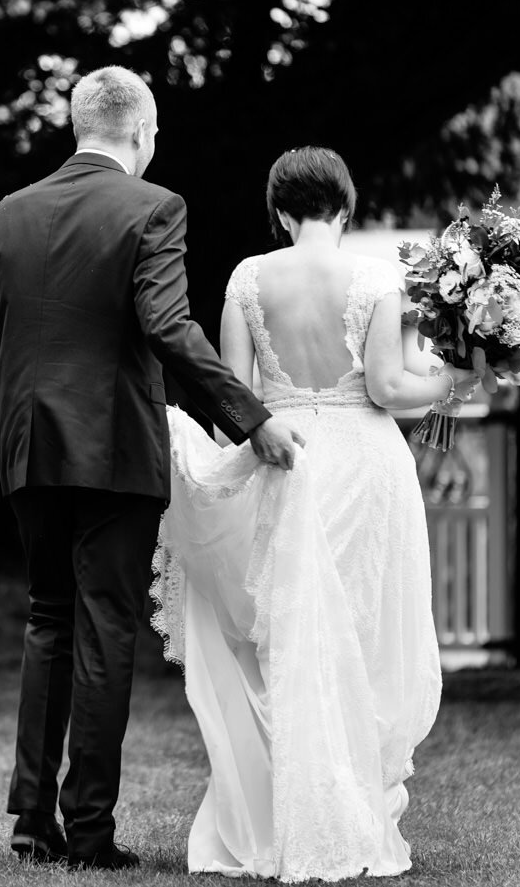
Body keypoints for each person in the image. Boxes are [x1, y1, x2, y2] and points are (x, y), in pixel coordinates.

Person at [0, 66, 305, 870]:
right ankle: (88, 828)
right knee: (104, 626)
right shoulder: (153, 208)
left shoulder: (4, 216)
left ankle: (31, 824)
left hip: (28, 443)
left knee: (47, 617)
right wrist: (250, 416)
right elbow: (168, 325)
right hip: (115, 447)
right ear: (142, 130)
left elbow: (3, 336)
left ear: (80, 124)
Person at [150, 146, 481, 881]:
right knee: (358, 638)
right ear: (347, 206)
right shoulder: (374, 277)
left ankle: (280, 819)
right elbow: (391, 387)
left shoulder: (246, 277)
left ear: (279, 212)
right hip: (363, 466)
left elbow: (235, 394)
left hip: (283, 461)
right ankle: (347, 811)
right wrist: (456, 376)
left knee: (286, 642)